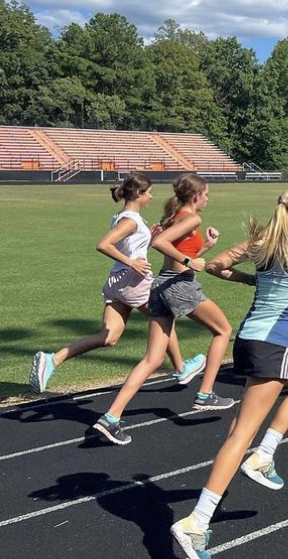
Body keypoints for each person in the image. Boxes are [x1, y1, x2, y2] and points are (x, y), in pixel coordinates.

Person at [170, 186, 288, 559]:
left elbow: (214, 265)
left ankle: (264, 457)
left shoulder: (263, 242)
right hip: (275, 344)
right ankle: (197, 520)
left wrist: (250, 280)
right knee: (241, 436)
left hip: (249, 339)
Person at [91, 174, 235, 445]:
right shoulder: (192, 218)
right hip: (179, 286)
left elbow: (174, 251)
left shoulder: (176, 216)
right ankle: (205, 394)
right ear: (195, 196)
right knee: (223, 330)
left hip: (159, 286)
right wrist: (189, 260)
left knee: (152, 359)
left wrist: (206, 247)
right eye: (206, 194)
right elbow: (161, 245)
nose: (208, 199)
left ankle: (111, 417)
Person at [29, 173, 205, 394]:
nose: (151, 197)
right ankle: (181, 368)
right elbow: (104, 245)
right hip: (134, 282)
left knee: (109, 337)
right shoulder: (130, 220)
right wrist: (132, 262)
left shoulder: (123, 216)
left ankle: (53, 359)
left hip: (117, 281)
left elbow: (127, 246)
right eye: (149, 193)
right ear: (139, 194)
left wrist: (147, 238)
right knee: (162, 321)